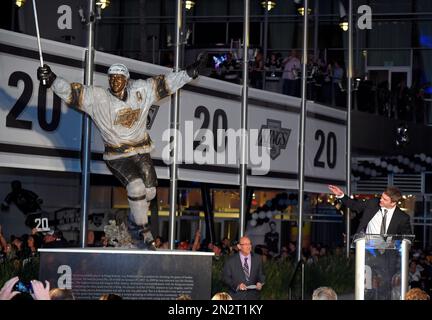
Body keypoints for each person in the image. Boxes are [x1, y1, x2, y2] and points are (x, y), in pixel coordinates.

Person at [37, 53, 207, 248]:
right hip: (117, 155)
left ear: (126, 80)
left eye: (119, 78)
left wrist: (190, 72)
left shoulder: (141, 90)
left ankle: (133, 221)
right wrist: (52, 80)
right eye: (111, 78)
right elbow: (72, 93)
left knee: (150, 192)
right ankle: (144, 231)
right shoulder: (98, 98)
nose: (115, 81)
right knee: (136, 188)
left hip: (141, 150)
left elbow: (166, 83)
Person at [328, 185, 412, 235]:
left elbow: (407, 238)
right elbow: (354, 205)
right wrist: (341, 195)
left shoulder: (402, 217)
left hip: (388, 256)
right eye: (382, 197)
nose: (381, 200)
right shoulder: (373, 203)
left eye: (385, 199)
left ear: (393, 203)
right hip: (368, 249)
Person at [222, 236, 265, 300]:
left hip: (253, 297)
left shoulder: (257, 258)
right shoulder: (231, 260)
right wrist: (237, 286)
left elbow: (261, 275)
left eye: (250, 244)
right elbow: (225, 278)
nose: (249, 246)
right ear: (239, 246)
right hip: (236, 296)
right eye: (246, 244)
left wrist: (260, 282)